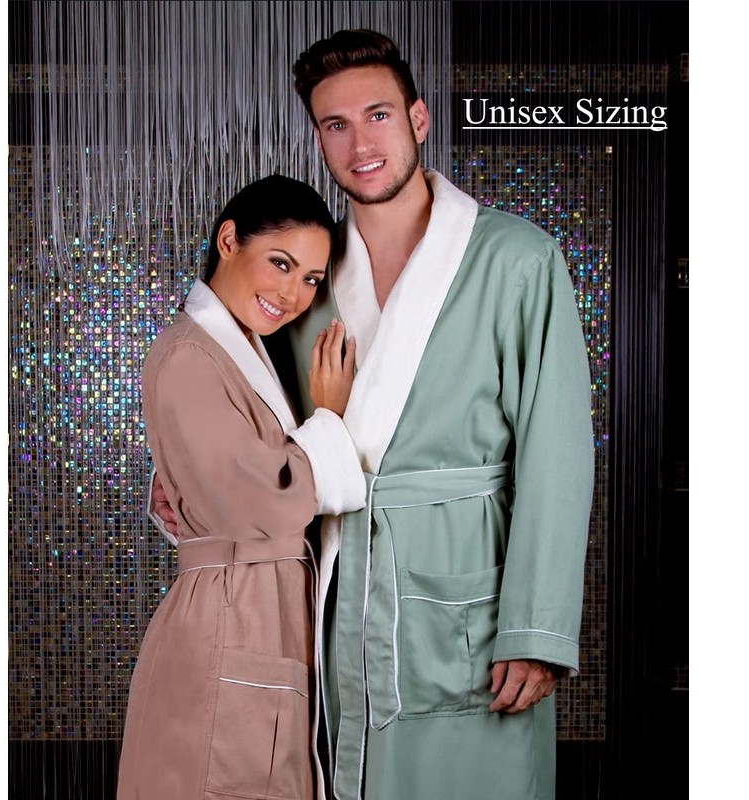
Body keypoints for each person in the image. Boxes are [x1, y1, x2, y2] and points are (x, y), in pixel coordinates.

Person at [153, 29, 594, 800]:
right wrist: (189, 484)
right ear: (318, 138)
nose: (360, 144)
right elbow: (249, 413)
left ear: (418, 119)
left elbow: (556, 451)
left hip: (468, 595)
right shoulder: (305, 279)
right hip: (333, 597)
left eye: (378, 115)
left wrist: (536, 628)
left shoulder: (517, 260)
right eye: (336, 124)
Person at [117, 175, 366, 800]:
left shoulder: (243, 351)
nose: (292, 293)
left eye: (311, 279)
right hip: (230, 621)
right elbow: (261, 501)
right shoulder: (190, 354)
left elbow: (227, 476)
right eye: (280, 263)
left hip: (256, 612)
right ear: (228, 240)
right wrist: (327, 419)